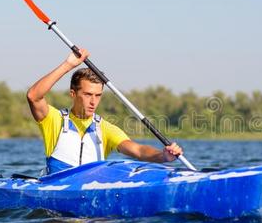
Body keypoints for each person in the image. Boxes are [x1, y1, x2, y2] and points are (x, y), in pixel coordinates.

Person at [27, 48, 183, 175]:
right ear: (73, 94)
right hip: (57, 193)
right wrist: (68, 65)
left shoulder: (105, 128)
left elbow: (138, 150)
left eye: (98, 95)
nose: (93, 101)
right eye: (88, 94)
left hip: (91, 194)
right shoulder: (55, 120)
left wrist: (163, 156)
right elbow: (33, 96)